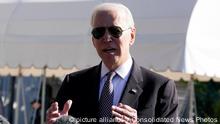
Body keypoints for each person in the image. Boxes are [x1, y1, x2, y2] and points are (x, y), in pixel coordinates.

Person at [46, 3, 179, 124]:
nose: (107, 38)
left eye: (115, 31)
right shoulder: (74, 83)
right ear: (93, 40)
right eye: (99, 32)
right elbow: (59, 118)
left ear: (132, 36)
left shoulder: (160, 87)